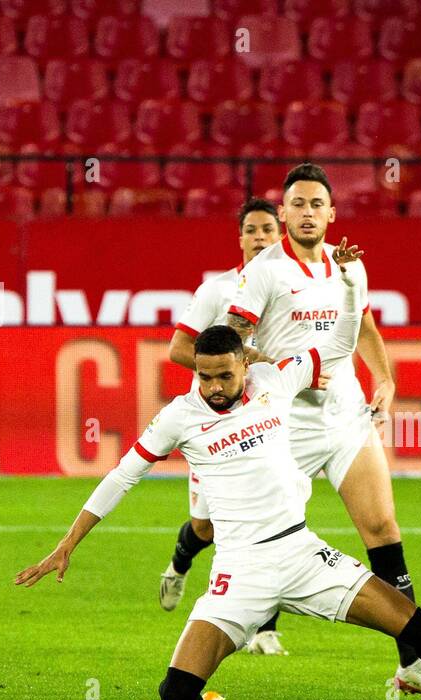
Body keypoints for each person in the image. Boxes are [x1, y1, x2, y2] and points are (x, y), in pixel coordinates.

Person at [16, 251, 421, 700]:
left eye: (224, 375)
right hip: (239, 570)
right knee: (174, 695)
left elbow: (341, 345)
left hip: (303, 554)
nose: (214, 387)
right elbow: (122, 476)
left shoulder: (274, 379)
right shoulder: (179, 415)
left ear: (245, 363)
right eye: (204, 376)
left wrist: (351, 286)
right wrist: (68, 543)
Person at [224, 162, 421, 697]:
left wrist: (385, 378)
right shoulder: (264, 273)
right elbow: (230, 336)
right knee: (259, 540)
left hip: (344, 419)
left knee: (383, 531)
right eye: (296, 204)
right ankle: (214, 661)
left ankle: (412, 662)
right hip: (283, 428)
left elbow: (363, 323)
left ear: (331, 213)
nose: (306, 213)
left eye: (315, 204)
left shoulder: (350, 268)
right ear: (283, 213)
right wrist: (275, 365)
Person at [159, 197, 287, 656]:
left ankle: (264, 626)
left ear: (282, 234)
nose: (260, 237)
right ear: (240, 238)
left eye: (268, 230)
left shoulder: (295, 289)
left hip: (270, 423)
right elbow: (178, 349)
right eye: (251, 229)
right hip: (219, 427)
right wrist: (233, 366)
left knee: (270, 512)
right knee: (208, 528)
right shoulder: (219, 290)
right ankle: (179, 563)